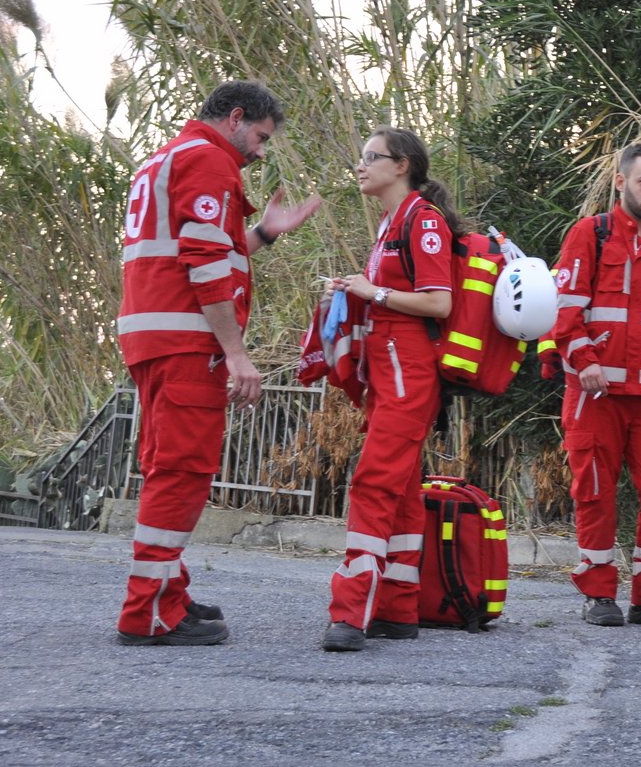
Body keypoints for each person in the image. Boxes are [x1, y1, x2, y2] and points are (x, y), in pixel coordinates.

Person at [115, 80, 321, 645]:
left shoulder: (166, 158)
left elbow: (195, 246)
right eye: (259, 137)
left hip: (151, 335)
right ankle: (149, 610)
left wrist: (262, 235)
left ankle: (168, 589)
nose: (260, 152)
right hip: (186, 341)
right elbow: (205, 265)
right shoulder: (208, 162)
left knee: (165, 465)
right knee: (182, 470)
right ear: (235, 118)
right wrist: (235, 353)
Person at [321, 127, 460, 652]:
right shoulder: (391, 224)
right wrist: (356, 290)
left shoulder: (422, 221)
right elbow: (391, 295)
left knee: (373, 482)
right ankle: (398, 606)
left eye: (370, 157)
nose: (360, 166)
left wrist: (372, 290)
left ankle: (350, 611)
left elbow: (438, 304)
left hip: (409, 370)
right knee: (399, 488)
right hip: (389, 367)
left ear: (401, 165)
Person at [549, 143, 641, 628]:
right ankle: (598, 592)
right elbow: (564, 311)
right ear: (620, 181)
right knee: (594, 492)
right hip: (597, 394)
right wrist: (585, 360)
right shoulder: (589, 235)